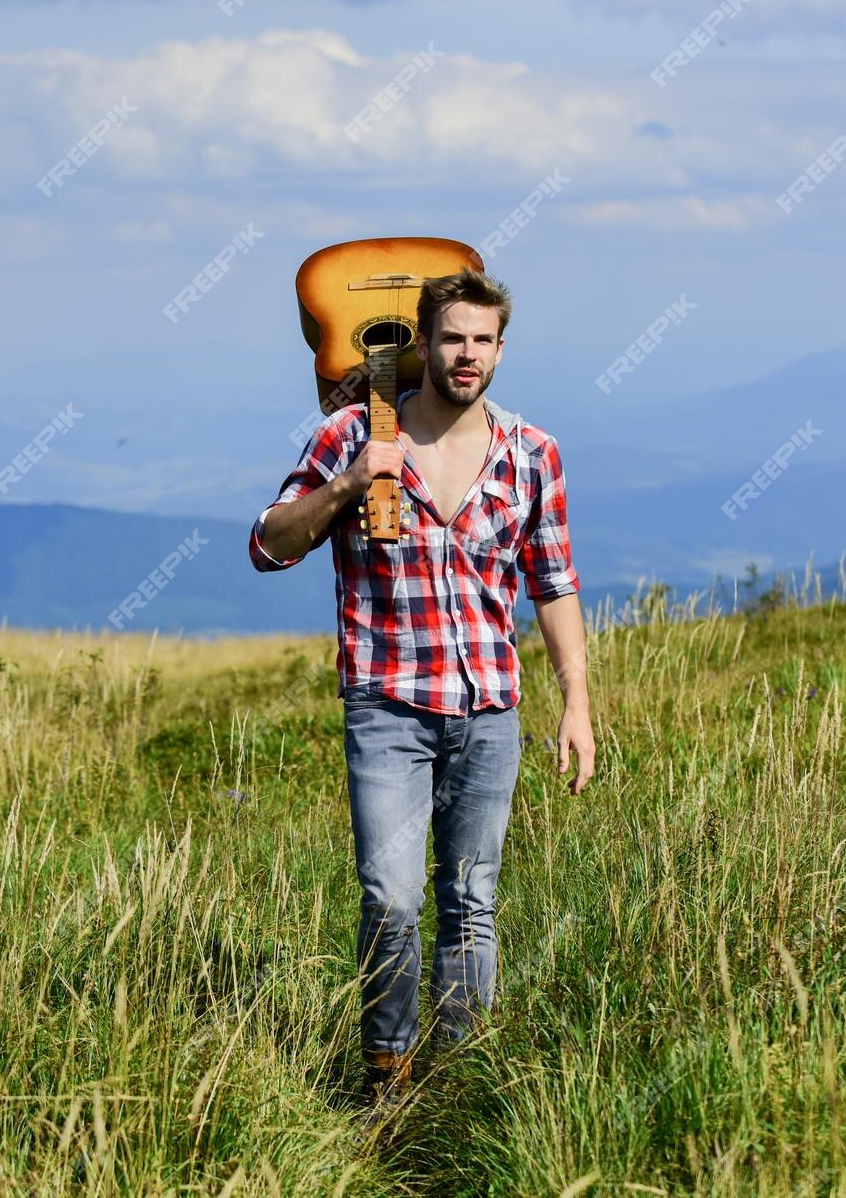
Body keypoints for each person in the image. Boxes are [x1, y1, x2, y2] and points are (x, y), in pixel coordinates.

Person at [247, 268, 595, 1125]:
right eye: (452, 338)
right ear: (423, 343)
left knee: (471, 902)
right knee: (392, 899)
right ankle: (390, 1081)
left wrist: (576, 705)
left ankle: (465, 1079)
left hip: (488, 711)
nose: (467, 354)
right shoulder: (351, 435)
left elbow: (553, 584)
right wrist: (347, 484)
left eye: (483, 340)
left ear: (501, 349)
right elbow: (266, 546)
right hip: (389, 706)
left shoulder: (531, 453)